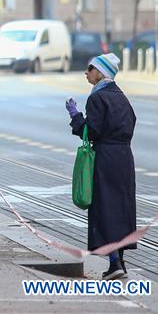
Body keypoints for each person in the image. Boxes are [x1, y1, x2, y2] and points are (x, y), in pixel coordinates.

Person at [65, 52, 137, 280]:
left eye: (91, 69)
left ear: (101, 73)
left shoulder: (97, 98)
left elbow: (92, 131)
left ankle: (114, 262)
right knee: (121, 207)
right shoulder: (121, 96)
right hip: (124, 157)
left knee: (105, 207)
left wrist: (76, 117)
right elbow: (131, 122)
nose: (86, 72)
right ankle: (121, 264)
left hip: (105, 157)